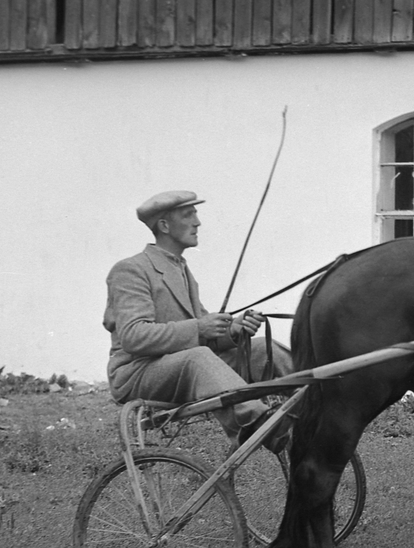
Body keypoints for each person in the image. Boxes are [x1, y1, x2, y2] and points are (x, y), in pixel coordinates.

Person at [103, 190, 292, 452]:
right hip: (138, 374)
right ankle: (259, 425)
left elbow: (203, 333)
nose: (197, 222)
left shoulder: (181, 270)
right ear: (165, 225)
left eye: (196, 214)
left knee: (261, 348)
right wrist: (199, 327)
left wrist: (233, 330)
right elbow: (134, 336)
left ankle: (320, 405)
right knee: (198, 357)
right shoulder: (130, 269)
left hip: (180, 366)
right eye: (188, 215)